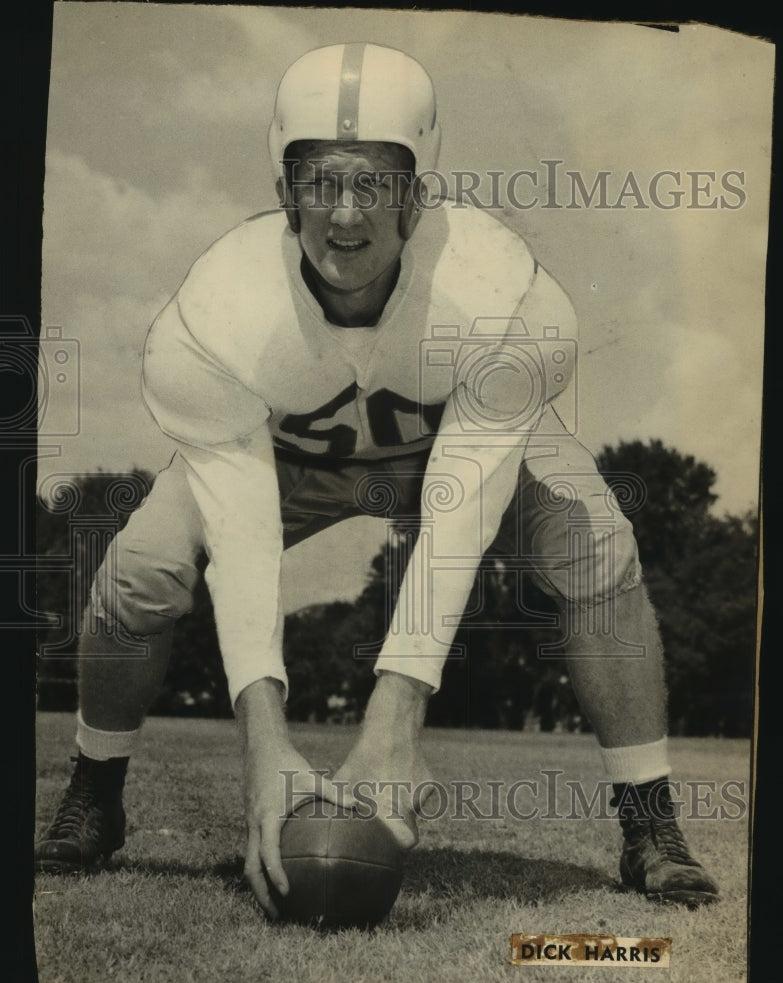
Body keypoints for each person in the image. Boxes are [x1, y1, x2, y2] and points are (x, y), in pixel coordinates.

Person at [35, 42, 719, 912]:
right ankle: (94, 792)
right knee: (141, 568)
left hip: (455, 447)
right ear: (284, 193)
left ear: (416, 196)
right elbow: (242, 541)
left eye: (375, 183)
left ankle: (649, 824)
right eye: (321, 181)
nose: (346, 212)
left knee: (595, 544)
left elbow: (461, 506)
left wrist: (396, 714)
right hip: (285, 458)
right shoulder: (212, 316)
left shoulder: (503, 295)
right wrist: (265, 746)